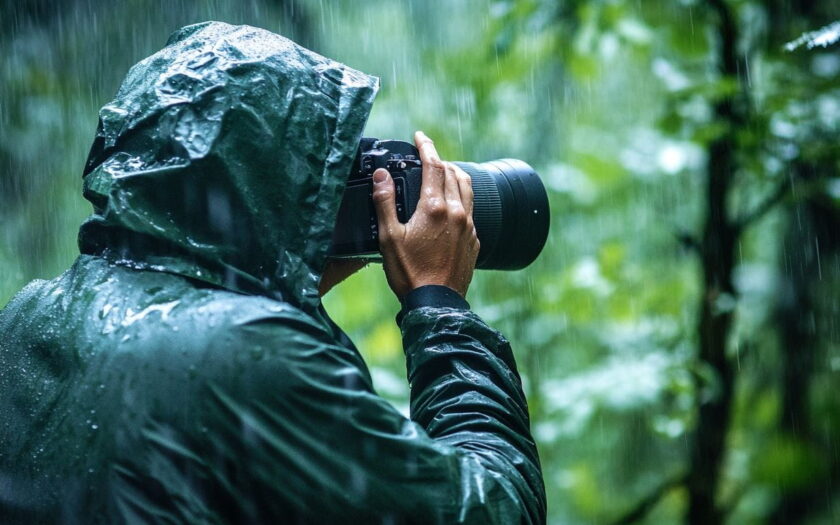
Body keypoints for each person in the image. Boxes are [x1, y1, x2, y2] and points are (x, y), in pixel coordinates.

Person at [0, 22, 545, 524]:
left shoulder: (30, 317)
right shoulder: (248, 358)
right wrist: (439, 304)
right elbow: (495, 507)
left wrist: (284, 277)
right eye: (319, 173)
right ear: (272, 186)